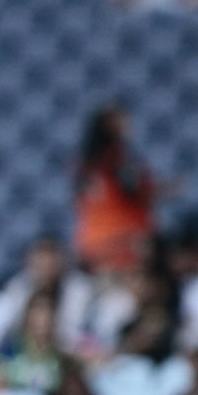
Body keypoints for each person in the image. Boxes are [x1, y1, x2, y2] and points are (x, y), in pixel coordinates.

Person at [72, 105, 162, 274]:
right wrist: (165, 190)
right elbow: (136, 192)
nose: (127, 123)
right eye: (120, 118)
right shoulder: (117, 159)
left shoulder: (84, 163)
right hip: (124, 241)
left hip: (92, 243)